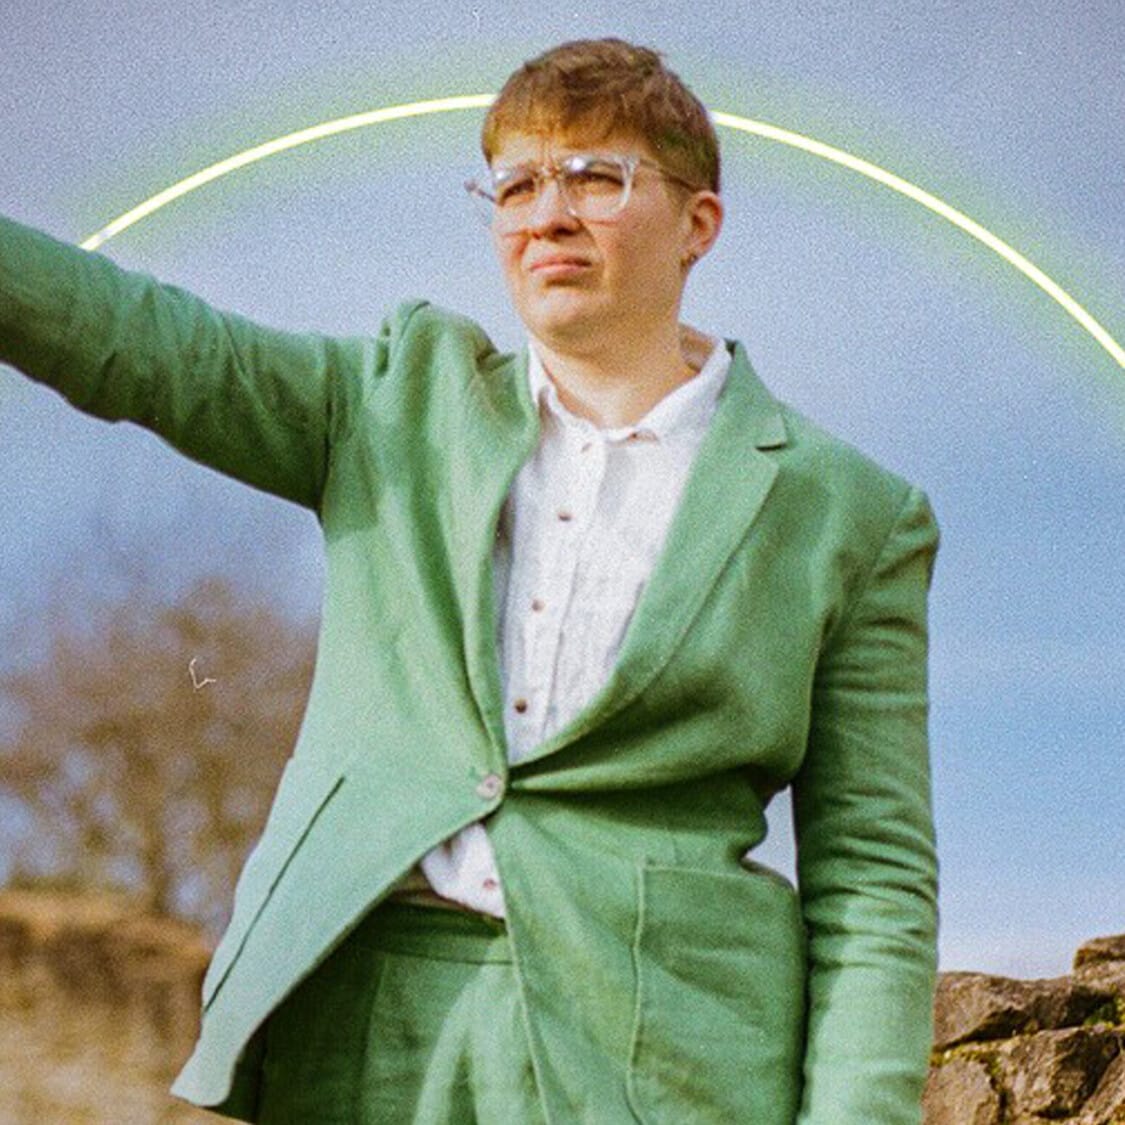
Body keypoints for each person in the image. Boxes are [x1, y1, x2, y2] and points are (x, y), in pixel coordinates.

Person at [0, 38, 939, 1125]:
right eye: (518, 185)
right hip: (364, 1022)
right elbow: (145, 341)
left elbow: (873, 876)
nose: (548, 216)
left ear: (698, 223)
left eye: (596, 177)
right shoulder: (390, 404)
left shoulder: (851, 513)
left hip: (663, 1056)